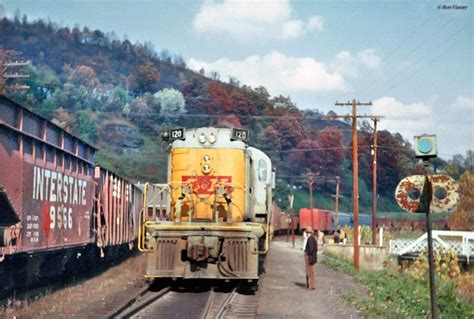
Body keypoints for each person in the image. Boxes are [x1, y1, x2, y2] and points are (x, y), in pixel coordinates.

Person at [304, 226, 317, 290]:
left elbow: (311, 249)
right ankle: (311, 285)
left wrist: (307, 253)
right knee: (310, 272)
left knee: (309, 272)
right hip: (312, 257)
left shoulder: (310, 239)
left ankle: (310, 286)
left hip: (310, 257)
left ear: (307, 232)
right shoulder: (313, 238)